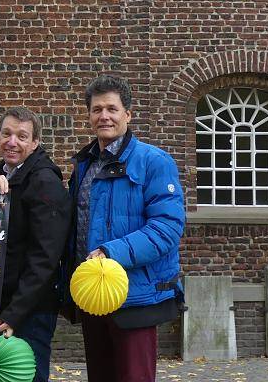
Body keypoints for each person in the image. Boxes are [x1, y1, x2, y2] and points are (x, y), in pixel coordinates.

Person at [65, 75, 185, 382]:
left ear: (127, 115)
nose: (104, 116)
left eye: (112, 109)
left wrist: (110, 251)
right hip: (94, 294)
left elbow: (167, 228)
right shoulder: (84, 165)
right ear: (89, 116)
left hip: (135, 296)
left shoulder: (154, 162)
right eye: (96, 109)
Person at [0, 107, 73, 382]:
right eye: (6, 134)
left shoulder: (45, 182)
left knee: (24, 377)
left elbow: (46, 257)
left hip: (27, 311)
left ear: (35, 143)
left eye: (21, 136)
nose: (12, 142)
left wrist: (15, 313)